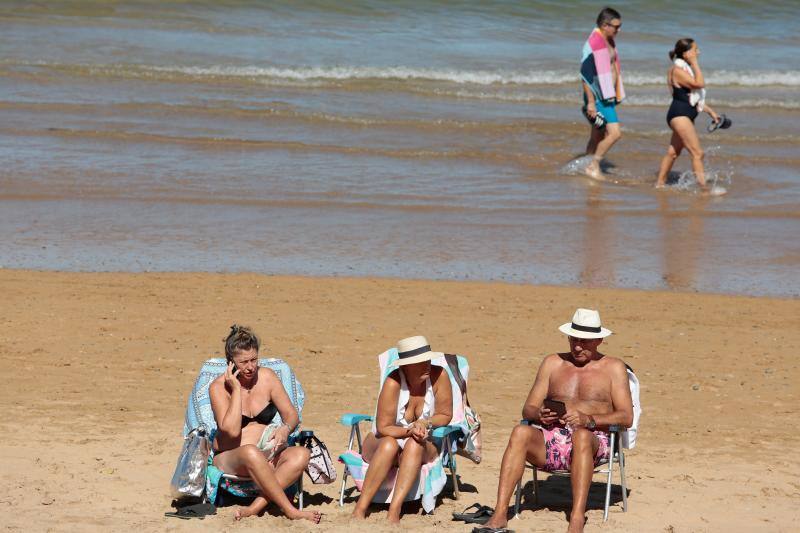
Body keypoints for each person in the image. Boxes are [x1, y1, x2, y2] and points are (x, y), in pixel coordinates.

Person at [477, 309, 633, 533]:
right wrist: (539, 414)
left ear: (599, 340)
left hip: (593, 439)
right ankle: (500, 512)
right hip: (552, 441)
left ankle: (577, 517)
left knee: (581, 435)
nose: (578, 346)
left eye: (585, 341)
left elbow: (626, 417)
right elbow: (528, 408)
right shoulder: (553, 363)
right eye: (574, 339)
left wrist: (589, 419)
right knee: (520, 432)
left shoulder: (613, 368)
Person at [209, 325, 321, 523]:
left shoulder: (267, 377)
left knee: (302, 454)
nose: (251, 367)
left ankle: (254, 507)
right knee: (250, 451)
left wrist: (285, 429)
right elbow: (232, 431)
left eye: (254, 359)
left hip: (267, 453)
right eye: (243, 362)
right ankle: (290, 510)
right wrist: (235, 390)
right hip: (231, 457)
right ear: (230, 363)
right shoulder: (218, 388)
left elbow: (292, 416)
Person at [352, 336, 453, 523]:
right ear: (406, 366)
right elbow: (383, 428)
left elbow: (445, 414)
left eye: (428, 359)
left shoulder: (440, 375)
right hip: (385, 440)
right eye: (420, 362)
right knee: (390, 444)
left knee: (415, 443)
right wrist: (410, 430)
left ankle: (394, 509)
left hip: (421, 443)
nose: (427, 365)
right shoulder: (393, 382)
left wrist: (425, 423)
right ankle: (360, 508)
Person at [655, 38, 721, 191]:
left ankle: (659, 184)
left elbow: (689, 98)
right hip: (680, 115)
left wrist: (710, 111)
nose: (699, 52)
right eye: (695, 50)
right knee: (698, 153)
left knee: (672, 153)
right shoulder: (677, 71)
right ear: (685, 54)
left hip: (684, 114)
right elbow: (699, 84)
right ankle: (703, 189)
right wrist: (695, 63)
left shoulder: (683, 69)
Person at [580, 7, 625, 180]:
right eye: (616, 26)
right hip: (598, 98)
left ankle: (585, 164)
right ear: (605, 25)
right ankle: (593, 165)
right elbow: (585, 76)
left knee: (597, 134)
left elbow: (612, 66)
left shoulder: (608, 39)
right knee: (615, 133)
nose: (619, 30)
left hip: (608, 97)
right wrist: (590, 103)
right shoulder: (593, 44)